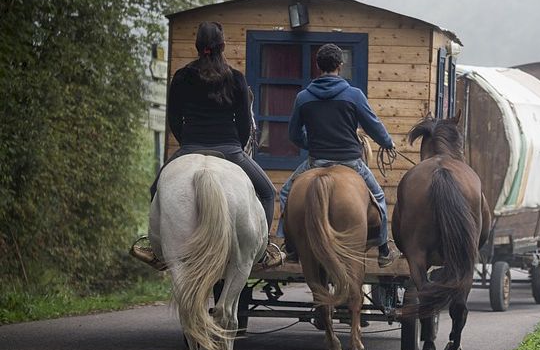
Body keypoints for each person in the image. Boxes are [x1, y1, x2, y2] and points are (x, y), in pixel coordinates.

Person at [131, 21, 283, 270]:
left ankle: (156, 248)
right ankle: (263, 249)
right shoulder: (236, 79)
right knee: (267, 192)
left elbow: (174, 119)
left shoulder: (181, 77)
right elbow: (245, 124)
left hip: (190, 147)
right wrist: (235, 144)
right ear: (223, 46)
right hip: (231, 150)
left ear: (197, 46)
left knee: (156, 189)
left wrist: (187, 145)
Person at [279, 43, 399, 267]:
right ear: (340, 66)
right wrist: (387, 142)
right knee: (379, 197)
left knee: (286, 193)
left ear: (318, 66)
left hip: (316, 161)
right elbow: (372, 125)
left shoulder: (303, 97)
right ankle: (383, 249)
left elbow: (294, 134)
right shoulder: (354, 95)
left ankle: (291, 246)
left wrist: (310, 142)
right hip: (351, 162)